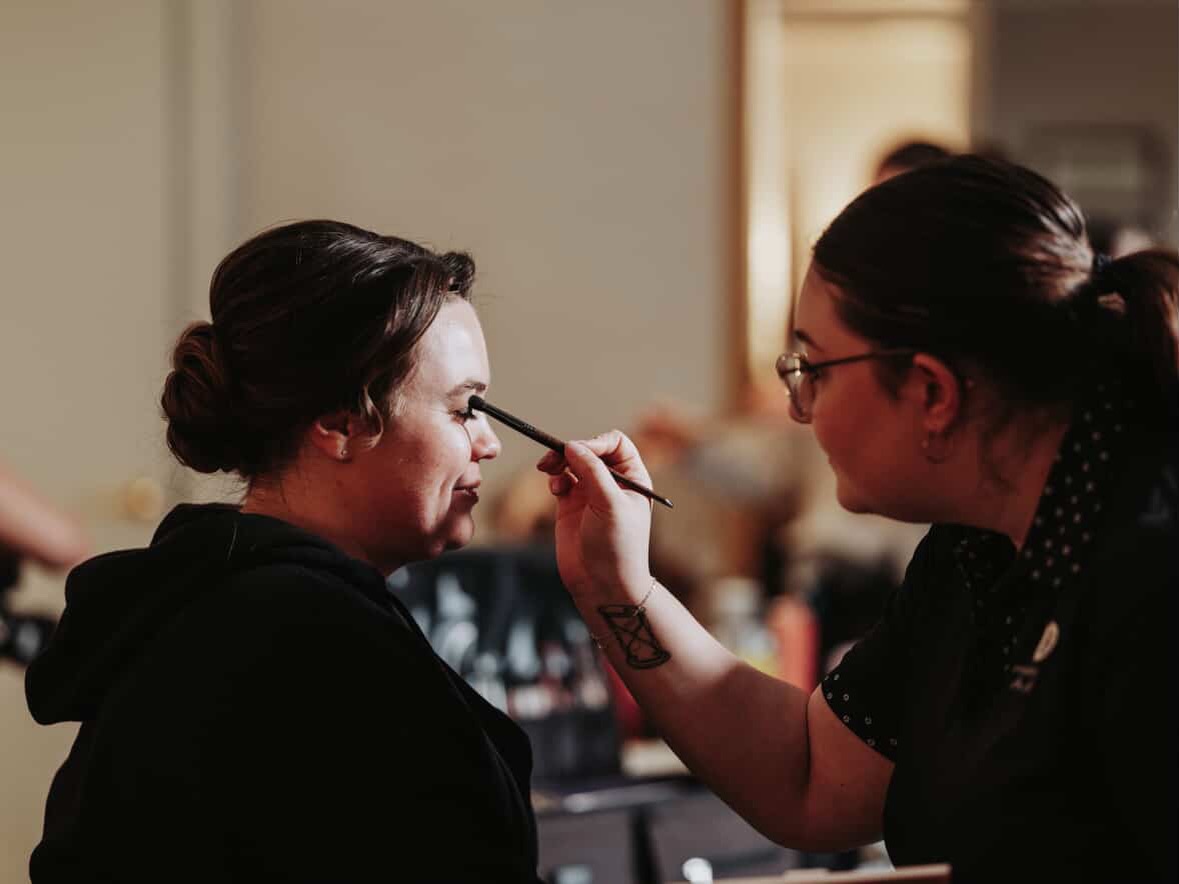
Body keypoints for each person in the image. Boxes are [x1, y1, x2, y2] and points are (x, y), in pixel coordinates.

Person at [537, 156, 1178, 883]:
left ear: (930, 392)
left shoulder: (1150, 579)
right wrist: (616, 586)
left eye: (812, 368)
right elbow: (811, 777)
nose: (795, 407)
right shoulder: (973, 550)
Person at [25, 220, 544, 883]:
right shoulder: (307, 639)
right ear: (339, 422)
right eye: (463, 408)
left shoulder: (228, 600)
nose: (490, 443)